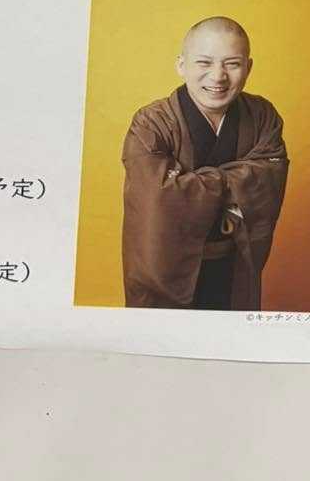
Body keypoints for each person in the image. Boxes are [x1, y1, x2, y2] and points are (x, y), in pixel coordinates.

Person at [121, 17, 288, 311]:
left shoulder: (262, 116)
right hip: (166, 270)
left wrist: (189, 183)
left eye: (232, 64)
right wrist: (235, 181)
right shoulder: (151, 123)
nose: (218, 76)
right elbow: (156, 198)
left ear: (248, 67)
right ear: (181, 65)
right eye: (204, 63)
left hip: (234, 265)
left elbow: (269, 181)